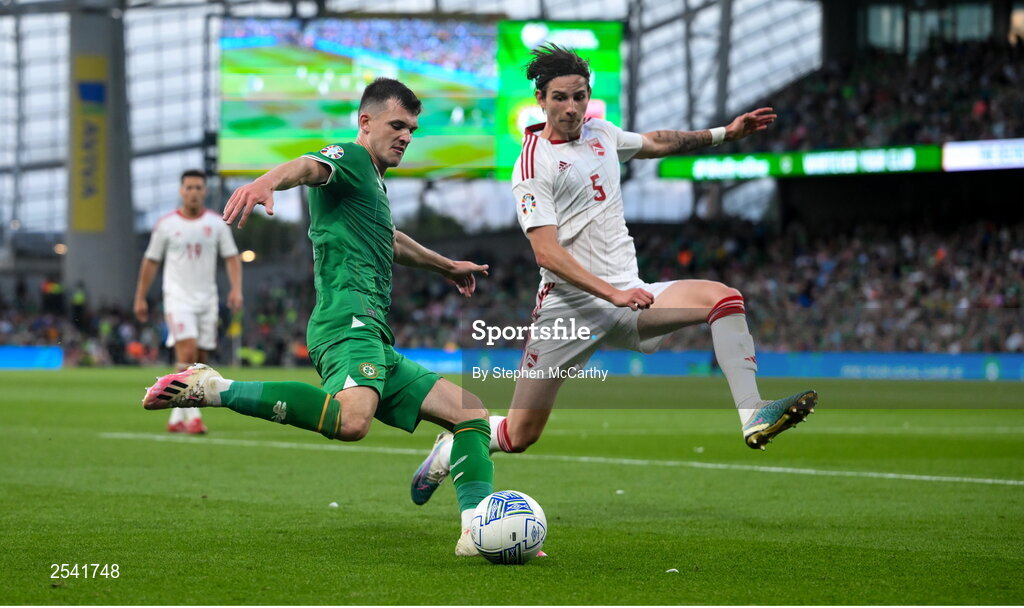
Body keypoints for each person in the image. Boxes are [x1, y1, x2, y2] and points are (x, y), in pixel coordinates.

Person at [411, 44, 817, 506]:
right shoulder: (532, 161)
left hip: (629, 297)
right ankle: (450, 447)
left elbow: (658, 141)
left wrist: (725, 132)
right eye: (560, 98)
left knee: (724, 299)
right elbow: (546, 253)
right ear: (540, 99)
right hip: (568, 309)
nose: (571, 108)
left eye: (579, 96)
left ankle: (752, 412)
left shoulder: (601, 133)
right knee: (521, 434)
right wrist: (613, 293)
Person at [141, 78, 494, 556]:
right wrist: (267, 182)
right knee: (353, 422)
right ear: (365, 123)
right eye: (397, 125)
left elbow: (389, 238)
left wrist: (447, 266)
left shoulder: (371, 183)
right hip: (347, 323)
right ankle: (218, 388)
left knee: (472, 414)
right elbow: (309, 166)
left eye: (411, 128)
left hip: (374, 335)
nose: (406, 136)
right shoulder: (349, 158)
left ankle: (477, 530)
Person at [134, 169, 243, 434]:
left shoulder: (217, 223)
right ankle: (193, 417)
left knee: (200, 360)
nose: (194, 192)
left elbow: (231, 256)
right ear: (181, 191)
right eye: (189, 188)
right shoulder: (166, 225)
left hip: (207, 300)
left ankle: (175, 418)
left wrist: (236, 289)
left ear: (204, 192)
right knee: (187, 352)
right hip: (177, 298)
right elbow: (151, 261)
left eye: (198, 188)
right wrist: (140, 296)